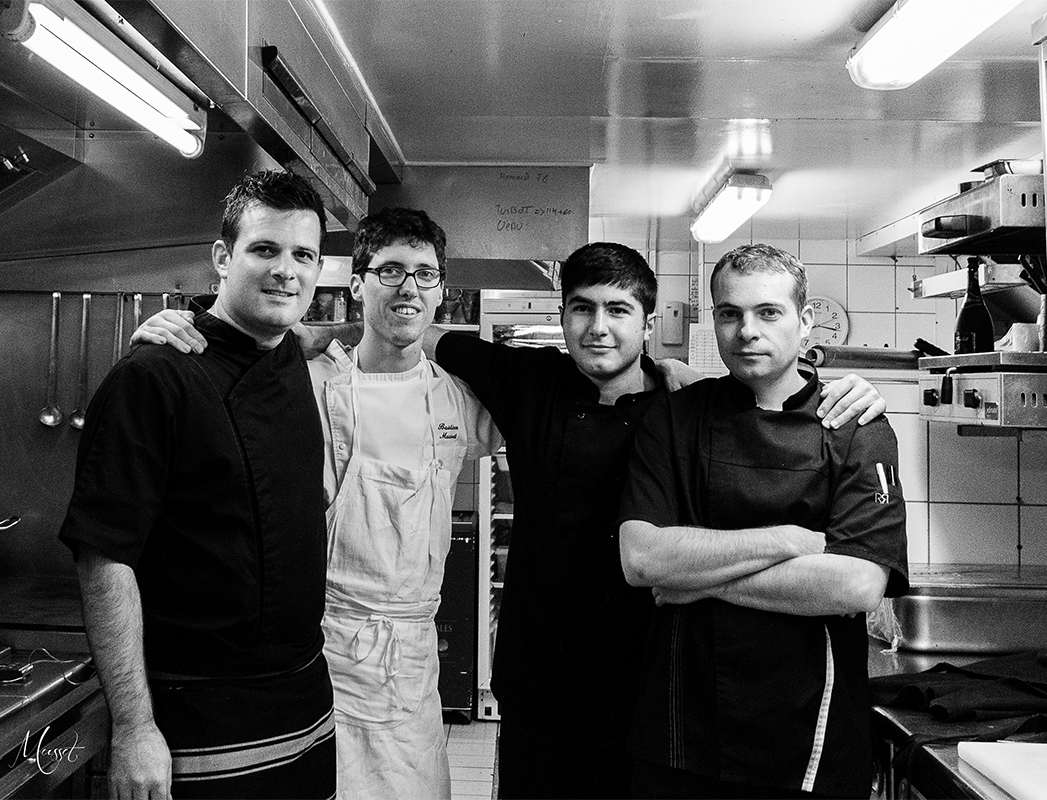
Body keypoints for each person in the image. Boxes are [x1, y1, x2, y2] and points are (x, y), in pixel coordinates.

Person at [134, 240, 887, 799]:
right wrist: (277, 329)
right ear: (562, 316)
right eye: (582, 309)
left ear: (648, 321)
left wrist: (840, 383)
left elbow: (763, 408)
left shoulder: (682, 402)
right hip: (541, 665)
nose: (599, 328)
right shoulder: (529, 379)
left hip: (651, 672)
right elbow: (407, 332)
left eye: (619, 311)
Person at [136, 207, 501, 798]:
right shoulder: (301, 376)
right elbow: (222, 357)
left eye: (425, 274)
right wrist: (179, 330)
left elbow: (559, 406)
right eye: (389, 271)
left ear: (441, 291)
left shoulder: (459, 400)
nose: (409, 287)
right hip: (312, 651)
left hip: (409, 665)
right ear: (357, 285)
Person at [58, 170, 336, 800]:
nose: (285, 272)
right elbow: (104, 556)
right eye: (264, 250)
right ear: (221, 258)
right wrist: (135, 727)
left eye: (303, 256)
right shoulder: (154, 376)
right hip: (198, 710)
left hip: (304, 698)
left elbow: (339, 334)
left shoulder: (290, 351)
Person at [617, 243, 909, 799]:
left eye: (768, 312)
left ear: (805, 322)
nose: (747, 331)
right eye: (730, 313)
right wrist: (789, 541)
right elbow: (643, 559)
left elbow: (856, 584)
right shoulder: (674, 419)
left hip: (809, 730)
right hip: (682, 726)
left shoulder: (857, 428)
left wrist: (695, 581)